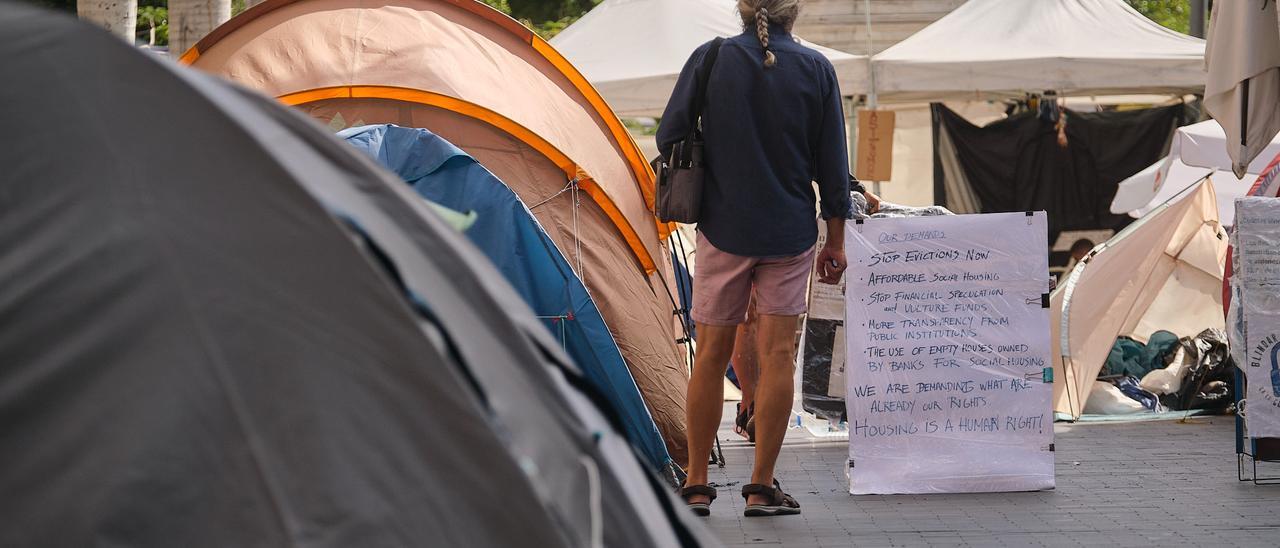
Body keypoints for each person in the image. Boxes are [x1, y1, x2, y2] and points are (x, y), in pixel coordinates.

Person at [658, 0, 877, 517]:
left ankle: (695, 485)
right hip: (789, 231)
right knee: (779, 356)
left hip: (722, 226)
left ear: (743, 10)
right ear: (792, 13)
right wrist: (837, 241)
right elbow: (832, 166)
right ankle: (760, 487)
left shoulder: (709, 59)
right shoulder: (817, 69)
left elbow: (670, 135)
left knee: (711, 354)